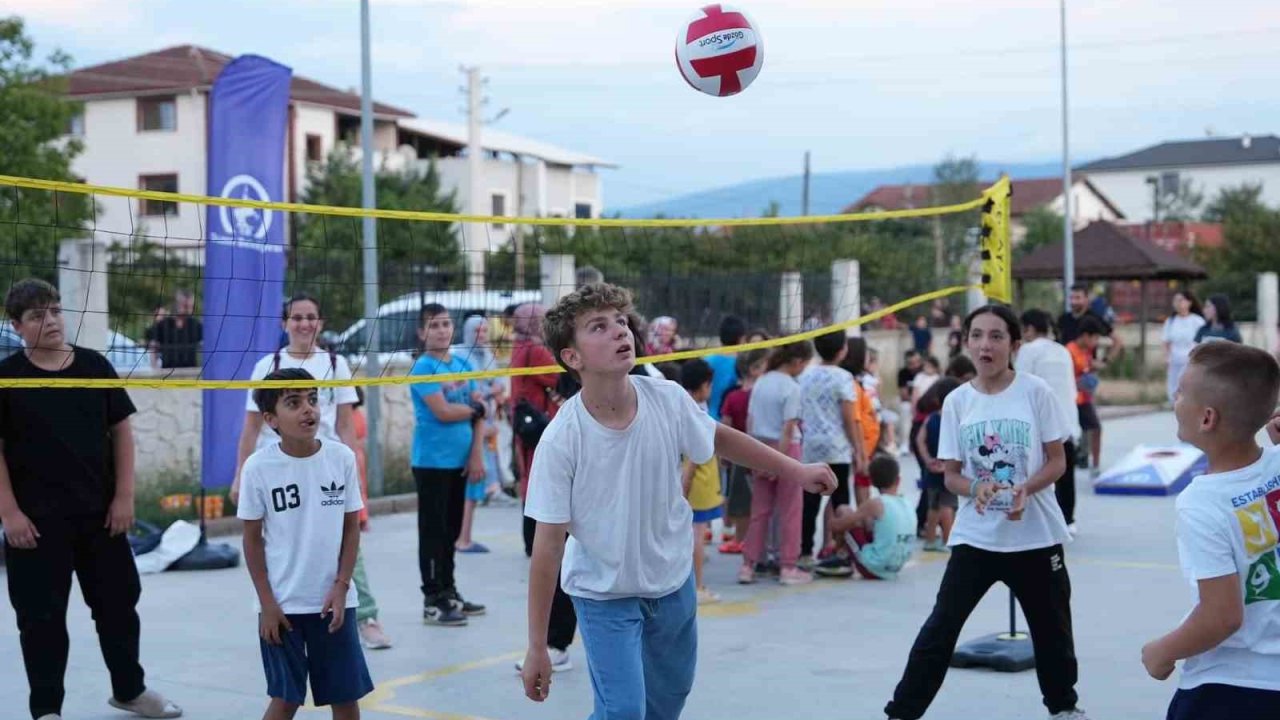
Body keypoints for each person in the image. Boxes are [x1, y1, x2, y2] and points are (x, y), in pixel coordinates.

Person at [519, 283, 836, 717]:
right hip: (604, 595)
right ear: (572, 357)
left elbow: (719, 437)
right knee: (625, 712)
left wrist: (795, 470)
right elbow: (548, 544)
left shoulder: (665, 398)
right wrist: (538, 646)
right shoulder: (561, 439)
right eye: (599, 326)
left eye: (620, 321)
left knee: (665, 705)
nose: (619, 332)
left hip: (672, 583)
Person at [882, 305, 1087, 720]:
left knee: (1052, 633)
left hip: (1036, 538)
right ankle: (901, 712)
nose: (984, 345)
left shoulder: (1036, 392)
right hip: (977, 538)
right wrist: (976, 487)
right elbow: (952, 475)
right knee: (940, 629)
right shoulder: (957, 402)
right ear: (966, 342)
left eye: (996, 336)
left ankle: (1064, 708)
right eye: (976, 335)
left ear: (1014, 344)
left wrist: (1026, 488)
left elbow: (1057, 461)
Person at [0, 279, 183, 720]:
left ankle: (130, 690)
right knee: (41, 621)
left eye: (56, 310)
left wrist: (124, 497)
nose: (51, 321)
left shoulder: (93, 365)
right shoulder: (7, 376)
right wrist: (9, 513)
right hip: (36, 523)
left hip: (101, 516)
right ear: (16, 326)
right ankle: (46, 710)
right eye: (38, 315)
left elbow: (120, 429)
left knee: (119, 607)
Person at [231, 293, 391, 651]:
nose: (304, 323)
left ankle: (364, 615)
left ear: (320, 323)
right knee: (280, 545)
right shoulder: (267, 366)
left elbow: (347, 426)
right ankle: (277, 610)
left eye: (311, 317)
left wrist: (357, 479)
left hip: (327, 468)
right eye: (297, 317)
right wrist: (239, 475)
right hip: (280, 469)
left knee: (344, 540)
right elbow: (251, 428)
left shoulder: (335, 364)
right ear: (284, 323)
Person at [1140, 342, 1280, 720]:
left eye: (1182, 391)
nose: (1175, 396)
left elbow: (1222, 616)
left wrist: (1162, 651)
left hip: (1232, 687)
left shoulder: (1201, 503)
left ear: (1207, 419)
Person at [238, 368, 372, 720]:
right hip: (283, 605)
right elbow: (251, 542)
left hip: (334, 602)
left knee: (345, 697)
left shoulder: (340, 457)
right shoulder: (258, 468)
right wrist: (267, 604)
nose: (308, 410)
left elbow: (351, 528)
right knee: (286, 699)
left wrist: (342, 586)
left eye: (312, 400)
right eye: (293, 403)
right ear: (271, 419)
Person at [409, 303, 486, 627]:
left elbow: (481, 408)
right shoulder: (423, 368)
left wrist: (477, 453)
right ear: (422, 332)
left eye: (445, 324)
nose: (441, 330)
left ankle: (449, 591)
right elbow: (442, 411)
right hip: (431, 462)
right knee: (433, 531)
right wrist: (473, 411)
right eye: (434, 325)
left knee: (452, 530)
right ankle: (432, 599)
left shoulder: (462, 362)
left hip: (461, 460)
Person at [741, 339, 816, 586]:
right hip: (786, 450)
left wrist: (754, 456)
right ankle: (788, 567)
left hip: (759, 447)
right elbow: (788, 429)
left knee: (759, 511)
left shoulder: (761, 381)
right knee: (790, 510)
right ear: (796, 362)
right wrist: (781, 462)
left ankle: (748, 565)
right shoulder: (792, 388)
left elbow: (750, 422)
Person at [799, 331, 867, 566]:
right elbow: (849, 418)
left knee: (809, 502)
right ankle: (839, 549)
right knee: (840, 500)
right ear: (842, 350)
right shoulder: (844, 378)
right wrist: (858, 450)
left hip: (810, 446)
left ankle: (805, 552)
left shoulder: (805, 376)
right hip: (837, 447)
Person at [1018, 309, 1084, 533]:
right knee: (1066, 473)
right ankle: (1068, 519)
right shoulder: (1063, 350)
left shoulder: (1028, 350)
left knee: (1037, 472)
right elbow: (1071, 387)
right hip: (1067, 419)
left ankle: (1035, 517)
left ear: (1028, 329)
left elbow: (1021, 386)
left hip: (1040, 422)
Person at [453, 315, 504, 553]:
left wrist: (492, 392)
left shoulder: (488, 355)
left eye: (484, 331)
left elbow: (499, 383)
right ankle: (461, 538)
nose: (481, 336)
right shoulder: (459, 357)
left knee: (478, 477)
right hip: (474, 421)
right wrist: (484, 398)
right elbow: (469, 390)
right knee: (471, 479)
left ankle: (464, 536)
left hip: (485, 418)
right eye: (477, 332)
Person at [820, 455, 917, 580]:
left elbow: (839, 526)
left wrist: (831, 519)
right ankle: (844, 554)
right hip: (895, 567)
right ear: (898, 480)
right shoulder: (905, 502)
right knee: (868, 522)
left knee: (844, 510)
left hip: (873, 567)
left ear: (872, 481)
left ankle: (840, 556)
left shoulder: (876, 503)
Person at [679, 359, 724, 605]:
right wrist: (685, 485)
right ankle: (696, 587)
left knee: (694, 534)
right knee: (697, 535)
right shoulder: (697, 411)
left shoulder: (684, 404)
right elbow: (695, 458)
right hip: (699, 481)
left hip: (697, 479)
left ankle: (695, 585)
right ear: (704, 385)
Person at [717, 348, 769, 555]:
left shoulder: (733, 396)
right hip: (758, 451)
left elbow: (726, 426)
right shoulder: (757, 394)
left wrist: (723, 455)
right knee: (751, 500)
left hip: (738, 454)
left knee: (740, 501)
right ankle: (747, 539)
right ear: (754, 369)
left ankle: (741, 538)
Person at [915, 378, 961, 552]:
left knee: (933, 505)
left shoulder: (931, 418)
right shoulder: (955, 420)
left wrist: (927, 460)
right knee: (948, 505)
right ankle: (948, 539)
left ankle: (930, 539)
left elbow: (920, 440)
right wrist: (948, 465)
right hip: (947, 469)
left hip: (932, 468)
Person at [839, 337, 883, 507]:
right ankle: (861, 524)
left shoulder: (859, 381)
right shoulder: (851, 384)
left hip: (867, 446)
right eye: (866, 354)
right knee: (859, 487)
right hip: (862, 447)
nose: (868, 358)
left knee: (863, 486)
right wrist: (861, 453)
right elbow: (855, 419)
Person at [1067, 317, 1106, 477]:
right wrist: (1078, 383)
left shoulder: (1087, 352)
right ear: (1085, 335)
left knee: (1096, 428)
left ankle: (1095, 466)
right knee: (1068, 436)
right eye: (1095, 338)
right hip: (1071, 400)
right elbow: (1065, 378)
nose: (1096, 342)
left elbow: (1087, 368)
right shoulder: (1069, 351)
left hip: (1085, 400)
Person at [1163, 290, 1206, 405]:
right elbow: (1167, 341)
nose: (1178, 303)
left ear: (1189, 302)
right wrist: (1167, 357)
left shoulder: (1197, 321)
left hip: (1190, 358)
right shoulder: (1171, 321)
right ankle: (1173, 402)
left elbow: (1202, 341)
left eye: (1181, 300)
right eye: (1176, 300)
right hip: (1175, 357)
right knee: (1173, 381)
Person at [705, 315, 747, 422]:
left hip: (706, 417)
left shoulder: (707, 360)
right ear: (741, 338)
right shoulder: (742, 364)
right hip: (729, 422)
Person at [147, 288, 202, 369]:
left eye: (190, 306)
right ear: (177, 304)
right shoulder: (163, 325)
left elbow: (206, 345)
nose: (188, 309)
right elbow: (153, 346)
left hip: (191, 372)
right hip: (167, 372)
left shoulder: (195, 325)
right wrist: (155, 368)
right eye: (185, 306)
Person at [897, 350, 923, 456]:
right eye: (911, 363)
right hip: (909, 402)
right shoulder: (903, 373)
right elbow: (903, 395)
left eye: (917, 362)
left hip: (924, 401)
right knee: (905, 408)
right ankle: (905, 443)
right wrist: (914, 402)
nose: (915, 366)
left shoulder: (925, 370)